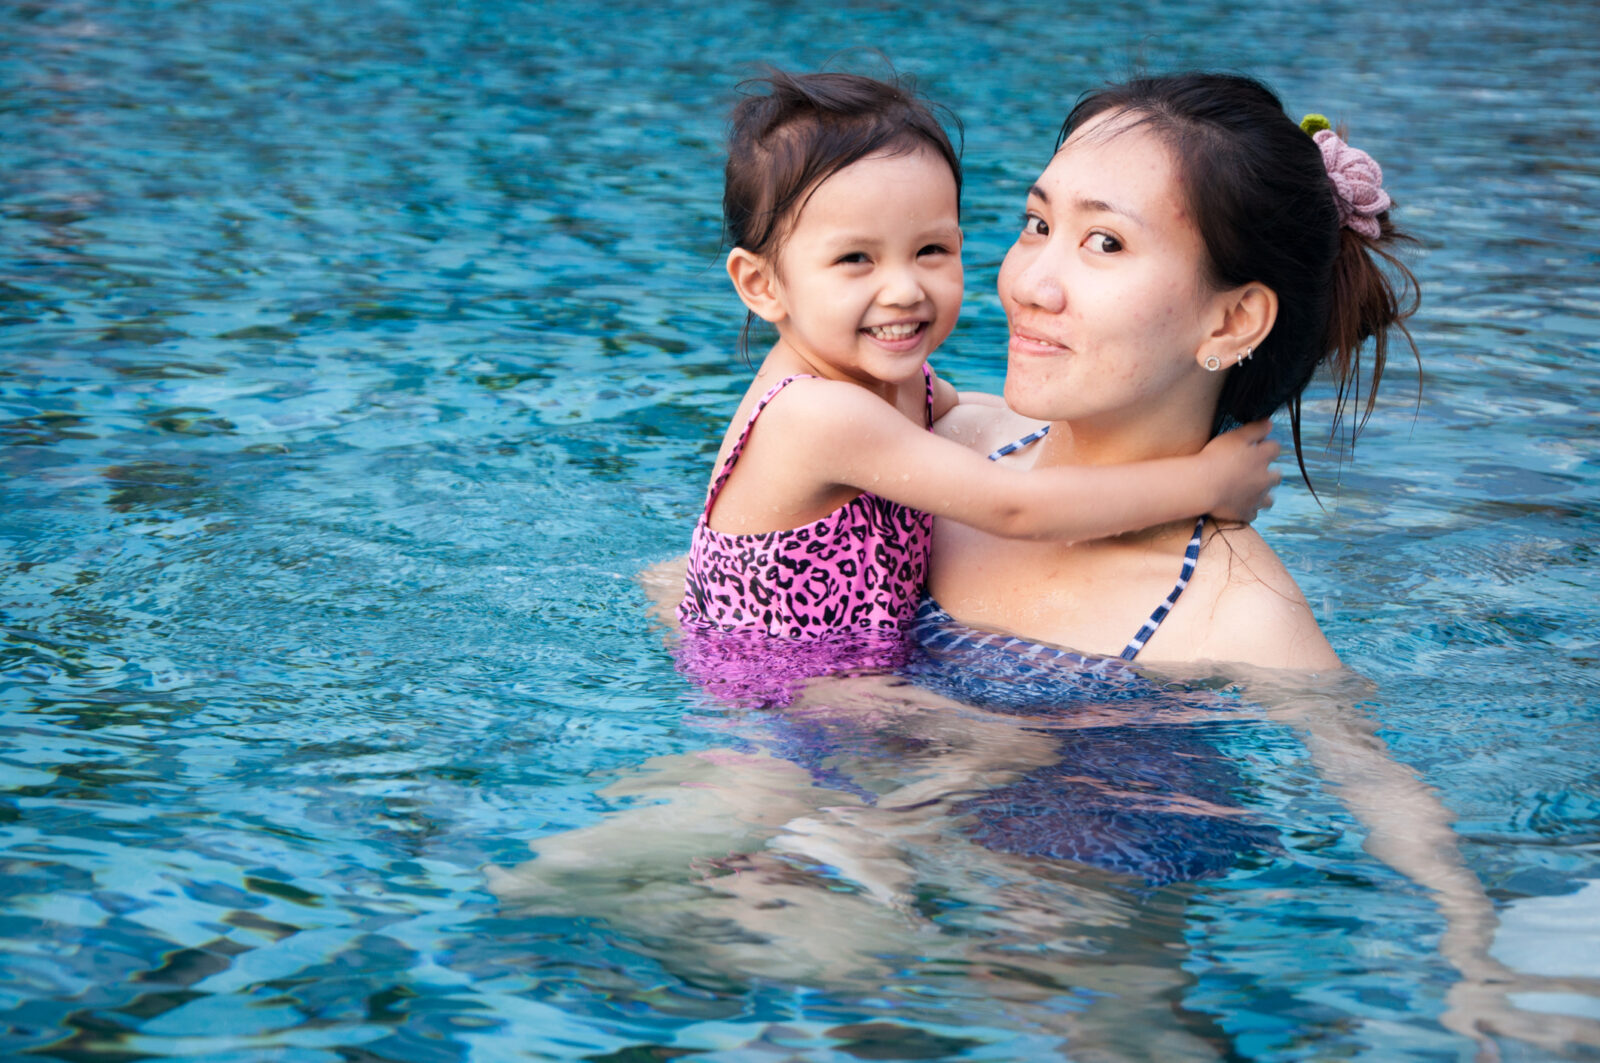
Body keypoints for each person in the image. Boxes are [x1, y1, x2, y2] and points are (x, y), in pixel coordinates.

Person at [678, 70, 1279, 663]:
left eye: (930, 250)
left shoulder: (897, 385)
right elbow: (1018, 507)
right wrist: (1205, 483)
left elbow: (970, 407)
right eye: (856, 258)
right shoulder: (816, 414)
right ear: (760, 285)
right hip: (767, 691)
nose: (903, 290)